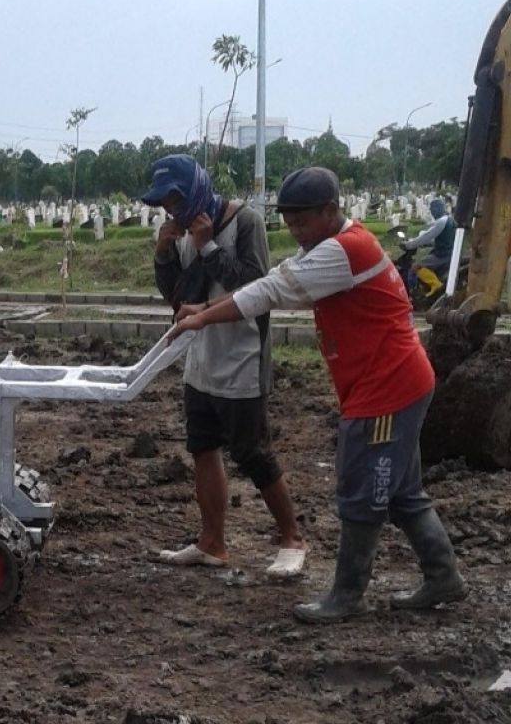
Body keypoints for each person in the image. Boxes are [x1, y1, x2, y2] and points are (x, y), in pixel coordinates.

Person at [169, 166, 467, 624]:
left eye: (302, 221)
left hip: (385, 389)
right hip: (396, 381)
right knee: (403, 490)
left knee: (360, 486)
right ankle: (443, 576)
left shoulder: (343, 251)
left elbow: (269, 289)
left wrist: (202, 318)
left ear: (330, 211)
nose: (294, 232)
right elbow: (275, 283)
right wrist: (206, 308)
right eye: (288, 223)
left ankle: (347, 595)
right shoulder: (340, 245)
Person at [143, 154, 306, 578]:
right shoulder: (181, 231)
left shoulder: (244, 223)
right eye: (164, 203)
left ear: (195, 189)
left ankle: (292, 538)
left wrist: (208, 246)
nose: (170, 210)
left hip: (242, 357)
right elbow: (177, 297)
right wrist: (164, 252)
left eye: (174, 199)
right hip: (199, 357)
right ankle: (211, 543)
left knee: (252, 453)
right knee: (203, 449)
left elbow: (255, 287)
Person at [400, 198, 456, 297]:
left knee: (415, 267)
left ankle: (429, 288)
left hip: (442, 255)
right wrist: (428, 244)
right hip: (449, 252)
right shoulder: (450, 219)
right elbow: (442, 238)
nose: (432, 212)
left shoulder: (441, 222)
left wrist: (408, 245)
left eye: (433, 210)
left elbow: (425, 237)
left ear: (439, 209)